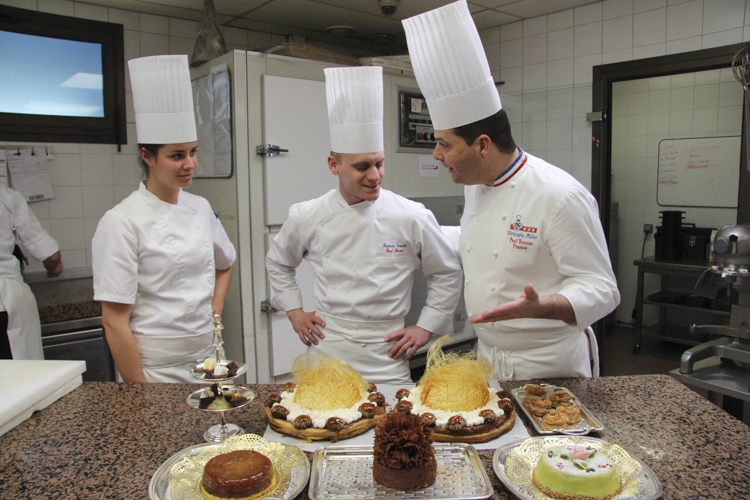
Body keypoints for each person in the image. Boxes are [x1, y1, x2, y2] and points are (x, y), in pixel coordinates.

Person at [402, 0, 620, 379]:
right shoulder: (477, 185)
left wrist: (547, 305)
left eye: (444, 144)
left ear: (482, 145)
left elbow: (602, 288)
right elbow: (484, 239)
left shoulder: (560, 196)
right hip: (489, 359)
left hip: (550, 366)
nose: (436, 154)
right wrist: (416, 233)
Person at [265, 66, 463, 384]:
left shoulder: (411, 216)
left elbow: (445, 273)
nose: (374, 175)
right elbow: (278, 263)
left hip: (388, 354)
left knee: (389, 431)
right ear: (334, 165)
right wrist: (295, 312)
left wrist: (426, 326)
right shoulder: (307, 215)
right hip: (327, 349)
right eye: (362, 166)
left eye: (379, 163)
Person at [92, 55, 236, 383]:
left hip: (210, 360)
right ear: (147, 156)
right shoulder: (121, 222)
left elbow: (226, 261)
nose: (190, 164)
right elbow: (114, 323)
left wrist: (215, 309)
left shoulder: (199, 207)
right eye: (176, 156)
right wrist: (142, 397)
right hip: (156, 371)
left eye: (193, 152)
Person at [0, 185, 63, 359]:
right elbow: (51, 256)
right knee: (17, 378)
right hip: (4, 302)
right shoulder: (6, 196)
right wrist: (54, 268)